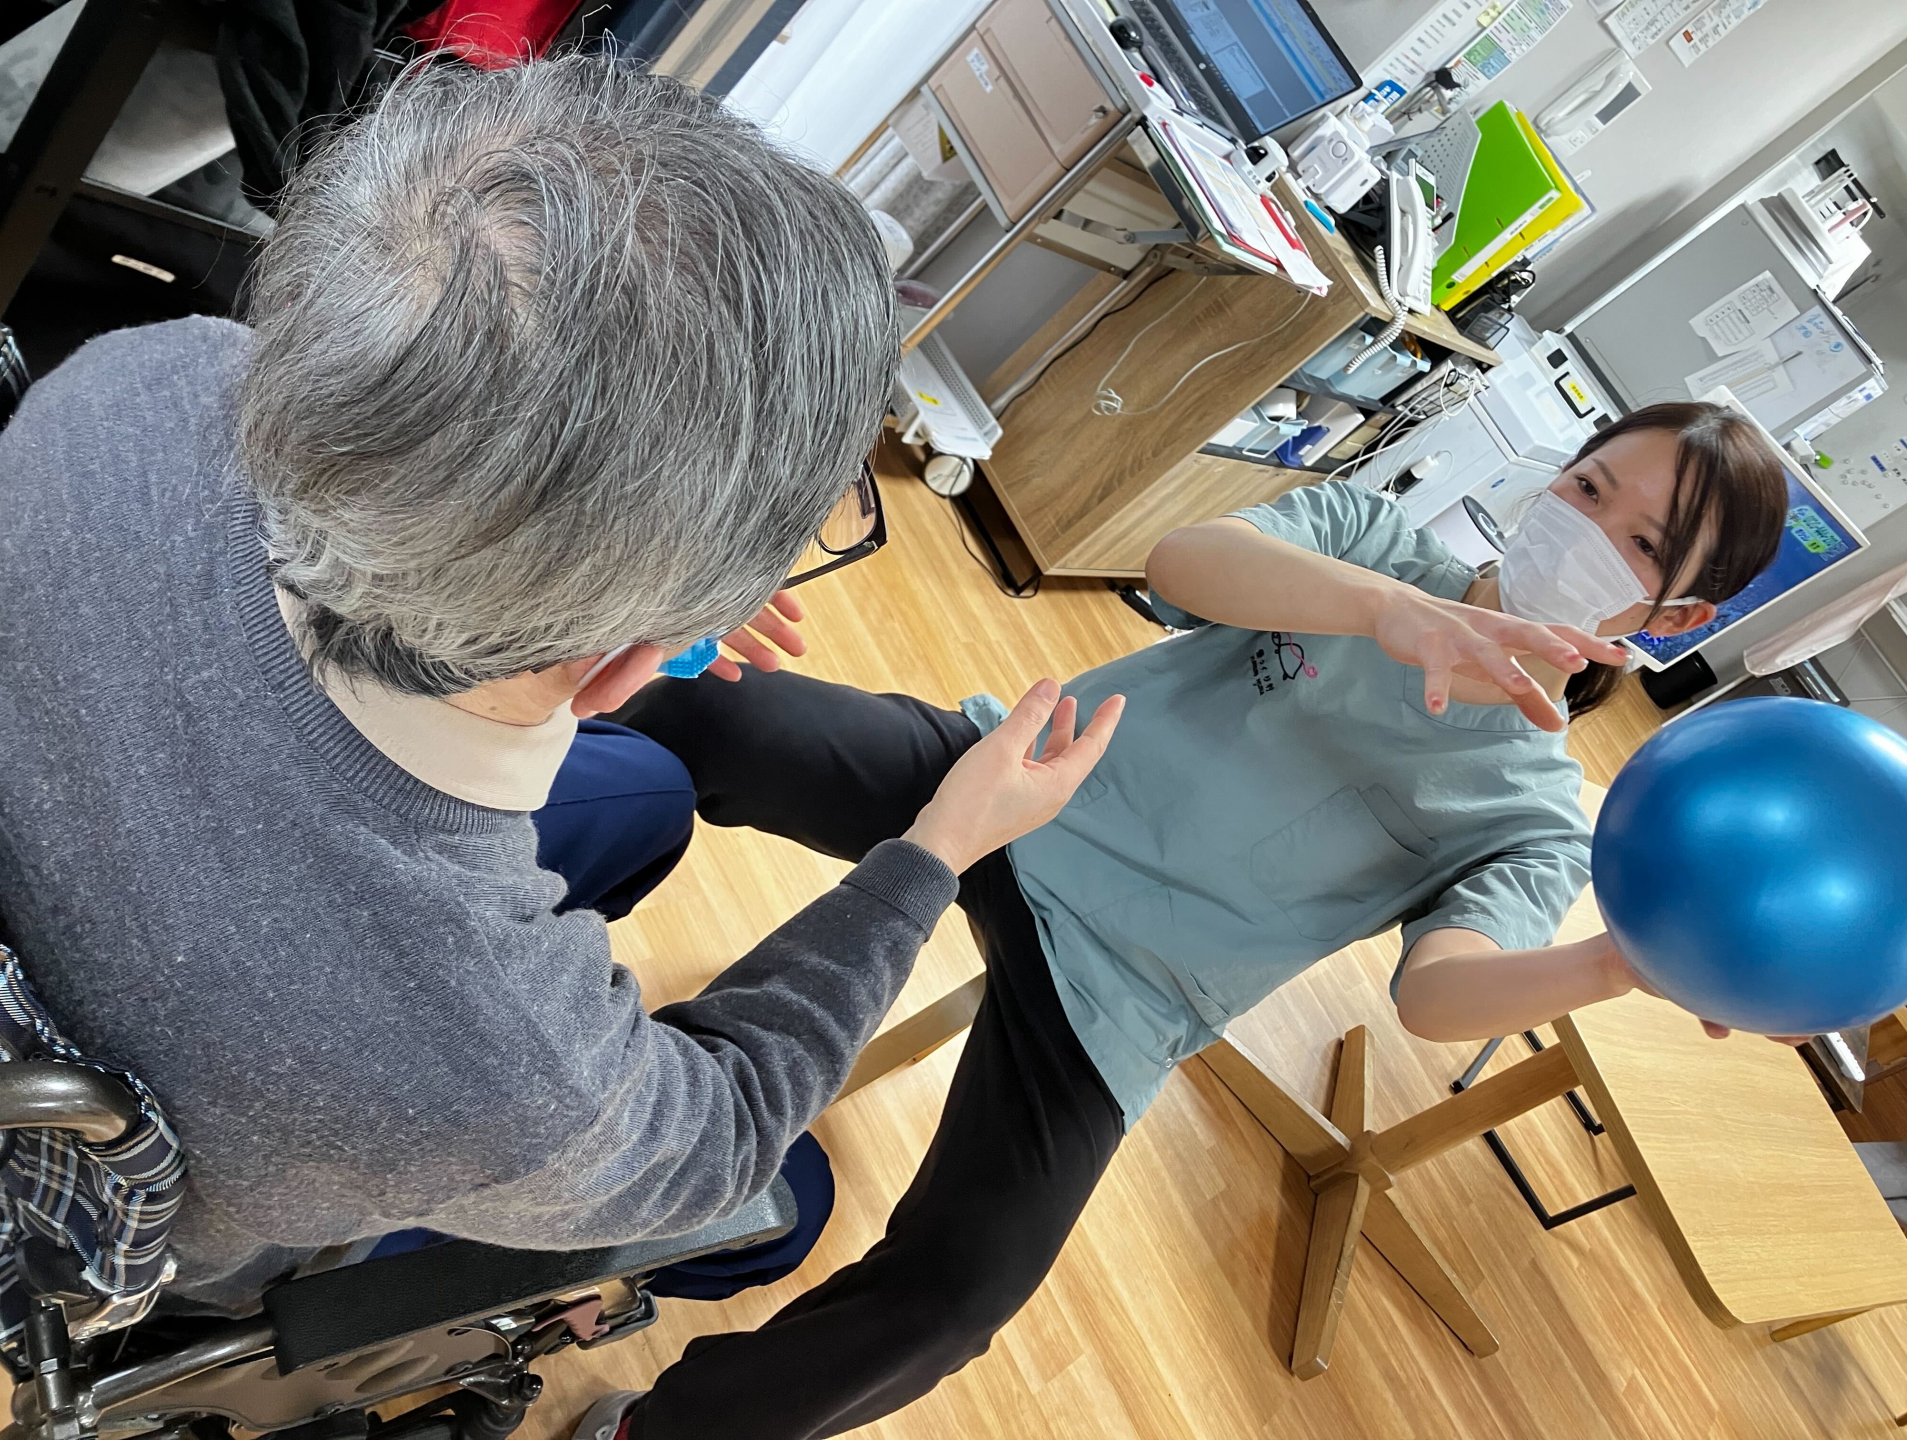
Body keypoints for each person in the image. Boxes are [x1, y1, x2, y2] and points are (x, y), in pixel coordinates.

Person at [0, 54, 1120, 1317]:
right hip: (176, 1233)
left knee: (648, 802)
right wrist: (935, 852)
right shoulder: (510, 1073)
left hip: (69, 921)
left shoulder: (145, 378)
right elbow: (726, 1130)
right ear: (633, 655)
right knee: (783, 1204)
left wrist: (604, 586)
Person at [608, 402, 1790, 1438]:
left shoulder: (1533, 811)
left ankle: (662, 1432)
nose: (1585, 529)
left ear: (1678, 615)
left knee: (957, 1297)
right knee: (709, 717)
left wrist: (1617, 962)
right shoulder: (1376, 545)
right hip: (1013, 783)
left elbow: (1437, 997)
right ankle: (525, 943)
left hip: (1124, 993)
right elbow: (1184, 563)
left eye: (1640, 542)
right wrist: (1385, 611)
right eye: (1588, 488)